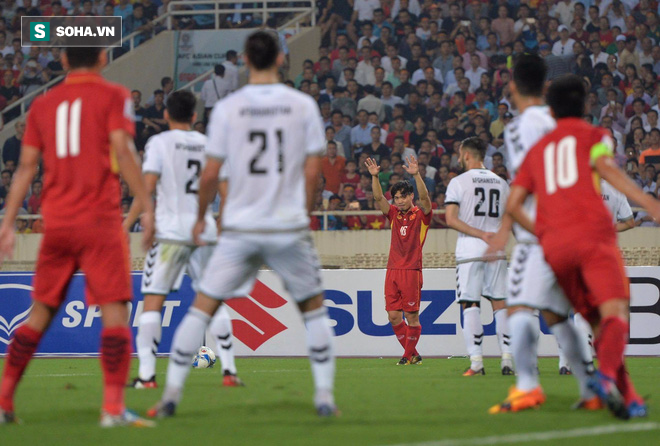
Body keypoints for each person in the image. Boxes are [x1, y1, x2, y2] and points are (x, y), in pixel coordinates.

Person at [148, 31, 337, 418]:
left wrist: (201, 218)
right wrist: (303, 215)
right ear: (282, 59)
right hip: (287, 225)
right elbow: (313, 171)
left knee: (201, 308)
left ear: (245, 61)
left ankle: (169, 397)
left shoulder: (229, 108)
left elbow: (210, 174)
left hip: (240, 227)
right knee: (314, 311)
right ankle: (323, 398)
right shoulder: (302, 105)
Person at [0, 47, 155, 427]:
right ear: (104, 58)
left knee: (39, 314)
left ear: (64, 61)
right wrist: (147, 207)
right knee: (115, 312)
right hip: (99, 221)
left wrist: (7, 221)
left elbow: (25, 168)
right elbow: (123, 147)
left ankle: (4, 402)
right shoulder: (114, 95)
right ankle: (113, 409)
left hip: (56, 222)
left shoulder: (42, 105)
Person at [506, 74, 660, 419]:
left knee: (596, 325)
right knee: (617, 317)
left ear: (552, 108)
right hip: (593, 237)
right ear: (586, 105)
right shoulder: (595, 136)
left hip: (556, 247)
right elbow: (608, 170)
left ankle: (631, 398)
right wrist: (650, 204)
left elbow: (514, 204)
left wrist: (545, 233)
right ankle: (602, 379)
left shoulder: (537, 150)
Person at [488, 55, 599, 414]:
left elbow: (528, 182)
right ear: (546, 87)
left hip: (539, 235)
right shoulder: (559, 121)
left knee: (519, 308)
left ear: (513, 86)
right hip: (571, 230)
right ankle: (590, 388)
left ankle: (527, 387)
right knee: (556, 316)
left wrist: (508, 226)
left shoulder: (519, 128)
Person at [123, 91, 243, 390]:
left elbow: (147, 187)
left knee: (153, 300)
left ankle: (147, 377)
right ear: (193, 116)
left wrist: (127, 224)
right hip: (204, 233)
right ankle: (229, 371)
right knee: (213, 300)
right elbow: (227, 192)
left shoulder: (159, 143)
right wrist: (221, 223)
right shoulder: (211, 146)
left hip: (170, 234)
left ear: (165, 115)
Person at [444, 137, 513, 376]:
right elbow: (510, 219)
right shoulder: (502, 183)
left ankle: (477, 363)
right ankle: (507, 361)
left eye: (460, 153)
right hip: (497, 250)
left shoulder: (458, 182)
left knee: (470, 304)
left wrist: (480, 234)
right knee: (500, 303)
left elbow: (451, 219)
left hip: (470, 251)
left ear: (466, 154)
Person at [365, 155, 431, 365]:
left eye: (403, 196)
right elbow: (378, 199)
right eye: (397, 198)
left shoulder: (421, 215)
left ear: (411, 196)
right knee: (394, 317)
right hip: (392, 270)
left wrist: (416, 175)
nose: (399, 200)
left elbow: (427, 199)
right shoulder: (393, 214)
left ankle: (406, 356)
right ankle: (413, 353)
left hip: (411, 270)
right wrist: (375, 177)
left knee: (412, 317)